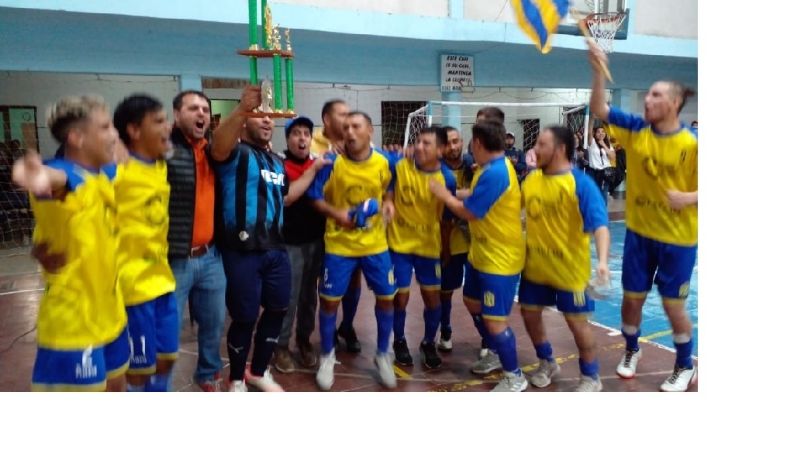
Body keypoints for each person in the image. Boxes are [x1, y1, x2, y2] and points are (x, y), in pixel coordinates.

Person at [588, 39, 698, 391]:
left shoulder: (692, 145)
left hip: (677, 240)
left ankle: (685, 364)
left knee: (673, 305)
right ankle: (631, 350)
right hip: (639, 234)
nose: (647, 100)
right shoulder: (636, 130)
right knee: (631, 300)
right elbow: (600, 109)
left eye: (655, 96)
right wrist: (597, 71)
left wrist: (690, 196)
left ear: (676, 103)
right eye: (647, 95)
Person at [210, 86, 328, 392]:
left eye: (268, 117)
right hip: (242, 251)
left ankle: (258, 371)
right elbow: (217, 146)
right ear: (247, 120)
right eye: (258, 116)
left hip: (277, 250)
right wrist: (241, 109)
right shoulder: (234, 153)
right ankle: (236, 379)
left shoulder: (276, 161)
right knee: (245, 317)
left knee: (278, 309)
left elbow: (287, 195)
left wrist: (315, 170)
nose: (266, 121)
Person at [13, 95, 129, 391]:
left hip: (111, 313)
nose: (113, 135)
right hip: (75, 324)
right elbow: (50, 178)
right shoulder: (65, 176)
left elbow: (121, 161)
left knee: (118, 385)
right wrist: (33, 174)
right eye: (105, 128)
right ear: (77, 138)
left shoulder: (102, 175)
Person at [429, 119, 527, 392]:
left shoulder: (496, 172)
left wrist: (443, 195)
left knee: (495, 321)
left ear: (479, 144)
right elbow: (475, 194)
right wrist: (452, 191)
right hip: (481, 253)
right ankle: (496, 352)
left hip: (500, 259)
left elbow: (470, 211)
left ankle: (514, 375)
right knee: (472, 302)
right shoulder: (488, 168)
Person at [308, 111, 398, 391]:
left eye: (356, 126)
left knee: (386, 298)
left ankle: (383, 354)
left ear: (370, 130)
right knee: (330, 302)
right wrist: (339, 214)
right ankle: (327, 355)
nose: (349, 132)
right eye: (345, 127)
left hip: (376, 245)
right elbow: (314, 197)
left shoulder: (386, 161)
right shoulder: (331, 162)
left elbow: (390, 186)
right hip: (339, 245)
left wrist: (389, 202)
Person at [518, 126, 610, 392]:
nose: (535, 149)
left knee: (577, 324)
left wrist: (602, 261)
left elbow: (600, 225)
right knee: (529, 314)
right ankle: (547, 361)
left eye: (541, 144)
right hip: (536, 268)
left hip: (570, 272)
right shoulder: (531, 180)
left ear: (559, 149)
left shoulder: (580, 184)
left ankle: (591, 377)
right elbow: (512, 210)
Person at [108, 95, 179, 392]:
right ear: (134, 130)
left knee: (167, 360)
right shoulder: (116, 169)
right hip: (132, 290)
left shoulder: (160, 164)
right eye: (159, 121)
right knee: (138, 372)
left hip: (163, 282)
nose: (168, 126)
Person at [167, 90, 227, 392]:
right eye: (193, 108)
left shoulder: (214, 151)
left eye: (205, 108)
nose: (201, 113)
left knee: (214, 323)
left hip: (211, 256)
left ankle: (207, 373)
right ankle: (156, 383)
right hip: (174, 260)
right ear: (177, 115)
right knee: (166, 329)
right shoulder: (162, 151)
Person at [388, 126, 455, 369]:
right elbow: (387, 187)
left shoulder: (447, 179)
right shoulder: (399, 166)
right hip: (399, 246)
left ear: (440, 150)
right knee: (400, 298)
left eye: (426, 143)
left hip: (429, 247)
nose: (419, 147)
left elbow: (447, 220)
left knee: (433, 300)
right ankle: (399, 340)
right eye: (418, 142)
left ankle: (428, 342)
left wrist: (445, 248)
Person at [310, 99, 364, 354]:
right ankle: (322, 334)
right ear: (327, 119)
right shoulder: (311, 144)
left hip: (349, 227)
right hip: (317, 225)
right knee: (324, 285)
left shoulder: (358, 144)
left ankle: (348, 325)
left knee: (354, 280)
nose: (348, 119)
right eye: (342, 114)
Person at [272, 116, 325, 373]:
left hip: (316, 242)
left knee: (309, 298)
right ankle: (281, 346)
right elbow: (288, 198)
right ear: (288, 139)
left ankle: (304, 341)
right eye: (296, 133)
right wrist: (313, 171)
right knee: (289, 298)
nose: (302, 138)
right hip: (289, 244)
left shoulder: (320, 163)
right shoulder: (279, 165)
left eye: (306, 133)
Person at [437, 126, 473, 352]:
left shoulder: (474, 166)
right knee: (445, 291)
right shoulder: (437, 171)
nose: (454, 147)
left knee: (477, 293)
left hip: (475, 242)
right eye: (449, 143)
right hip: (448, 241)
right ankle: (445, 329)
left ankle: (488, 341)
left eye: (456, 141)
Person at [586, 125, 615, 202]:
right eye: (598, 132)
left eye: (603, 131)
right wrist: (592, 118)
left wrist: (604, 145)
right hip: (593, 172)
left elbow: (613, 157)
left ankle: (602, 212)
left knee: (603, 193)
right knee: (592, 193)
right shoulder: (592, 142)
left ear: (605, 134)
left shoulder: (608, 145)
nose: (601, 133)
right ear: (595, 134)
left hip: (605, 172)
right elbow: (589, 132)